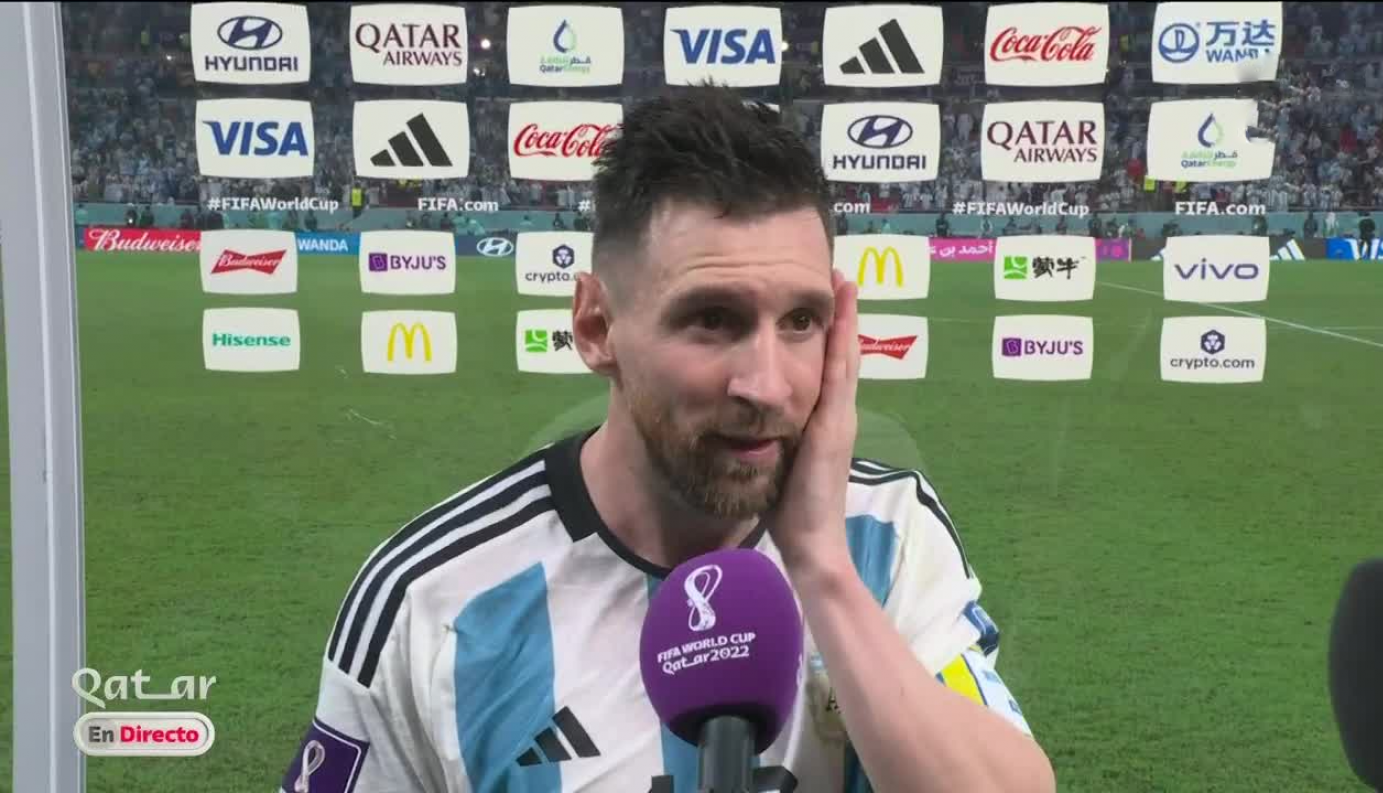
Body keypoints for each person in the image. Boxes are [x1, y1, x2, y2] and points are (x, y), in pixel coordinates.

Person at [279, 83, 1054, 793]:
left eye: (800, 320)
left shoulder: (888, 532)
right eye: (712, 318)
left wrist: (822, 565)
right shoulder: (431, 599)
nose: (767, 385)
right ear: (596, 327)